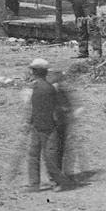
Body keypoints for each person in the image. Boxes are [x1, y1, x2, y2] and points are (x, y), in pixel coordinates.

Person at [25, 58, 71, 191]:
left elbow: (49, 109)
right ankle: (53, 182)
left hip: (44, 126)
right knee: (49, 156)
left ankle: (37, 184)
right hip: (45, 126)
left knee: (38, 155)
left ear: (35, 72)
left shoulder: (41, 88)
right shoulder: (47, 87)